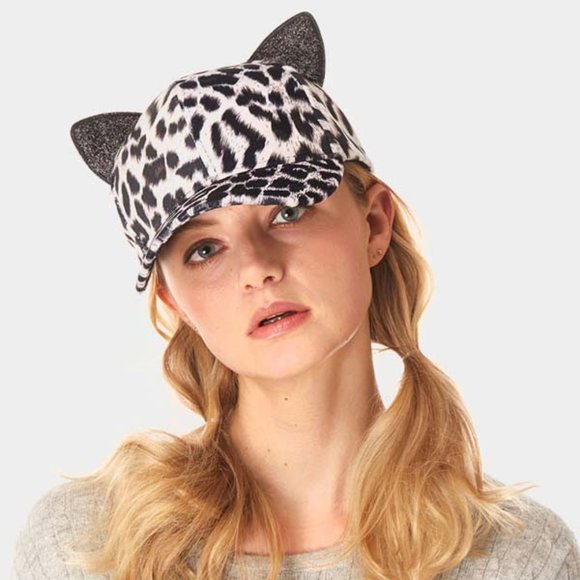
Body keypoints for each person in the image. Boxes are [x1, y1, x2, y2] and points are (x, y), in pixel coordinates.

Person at [11, 11, 579, 580]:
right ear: (172, 301)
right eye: (204, 249)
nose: (257, 269)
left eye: (288, 211)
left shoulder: (517, 558)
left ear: (374, 224)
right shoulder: (85, 546)